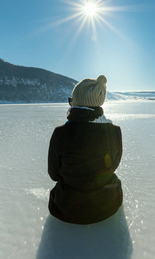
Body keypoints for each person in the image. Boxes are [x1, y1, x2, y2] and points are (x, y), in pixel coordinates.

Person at [48, 75, 123, 224]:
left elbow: (54, 175)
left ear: (76, 103)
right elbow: (113, 166)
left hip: (66, 209)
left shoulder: (61, 133)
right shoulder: (114, 131)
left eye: (71, 101)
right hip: (107, 206)